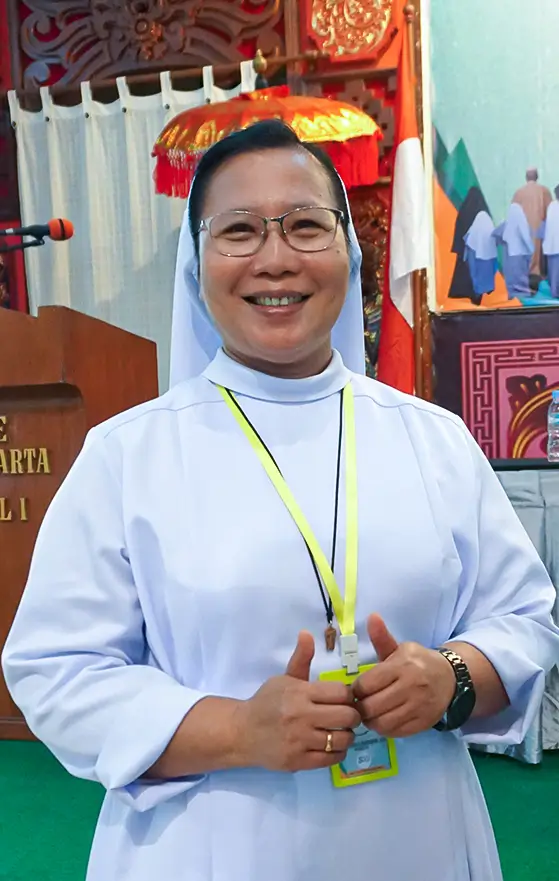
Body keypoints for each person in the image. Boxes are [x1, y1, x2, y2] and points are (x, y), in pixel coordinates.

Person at [2, 120, 559, 881]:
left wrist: (452, 677)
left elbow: (524, 617)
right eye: (239, 230)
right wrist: (237, 730)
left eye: (305, 225)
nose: (275, 258)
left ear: (348, 252)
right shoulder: (127, 455)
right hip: (209, 845)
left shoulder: (432, 438)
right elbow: (57, 671)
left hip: (418, 836)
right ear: (196, 263)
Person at [448, 186, 492, 304]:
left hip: (465, 252)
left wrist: (458, 247)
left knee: (465, 276)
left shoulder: (464, 210)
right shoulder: (483, 212)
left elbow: (459, 228)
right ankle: (476, 298)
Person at [512, 168, 552, 285]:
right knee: (537, 253)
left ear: (526, 177)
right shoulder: (544, 191)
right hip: (539, 229)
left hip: (522, 229)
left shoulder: (519, 192)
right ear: (537, 177)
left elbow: (513, 212)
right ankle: (536, 275)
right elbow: (550, 211)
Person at [493, 203, 534, 298]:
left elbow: (495, 236)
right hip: (521, 254)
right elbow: (526, 238)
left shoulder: (506, 224)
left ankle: (512, 293)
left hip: (509, 254)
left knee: (511, 275)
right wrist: (531, 250)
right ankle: (523, 293)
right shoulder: (522, 223)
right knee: (520, 275)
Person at [463, 209, 497, 305]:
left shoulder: (473, 233)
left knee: (476, 280)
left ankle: (476, 297)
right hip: (487, 265)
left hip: (475, 262)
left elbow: (467, 245)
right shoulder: (490, 234)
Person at [539, 185, 559, 299]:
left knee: (553, 272)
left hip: (551, 245)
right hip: (555, 245)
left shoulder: (552, 206)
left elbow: (545, 225)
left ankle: (554, 292)